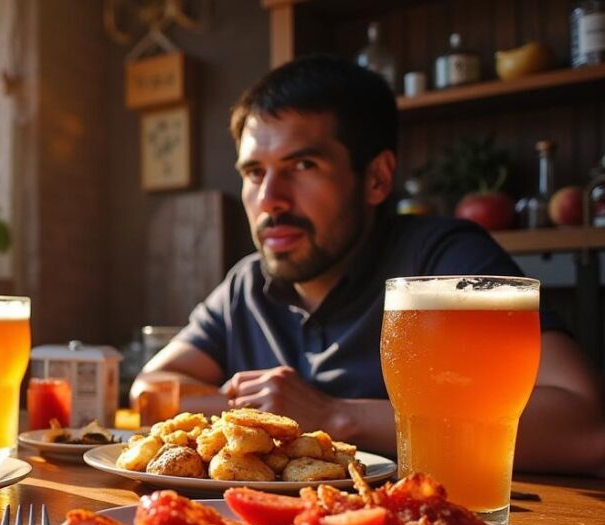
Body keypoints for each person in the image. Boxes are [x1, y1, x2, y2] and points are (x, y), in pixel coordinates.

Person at [132, 54, 605, 476]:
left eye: (302, 166)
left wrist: (336, 415)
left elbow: (585, 423)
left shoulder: (445, 262)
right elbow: (150, 390)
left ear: (376, 178)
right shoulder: (246, 284)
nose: (269, 200)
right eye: (254, 173)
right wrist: (260, 417)